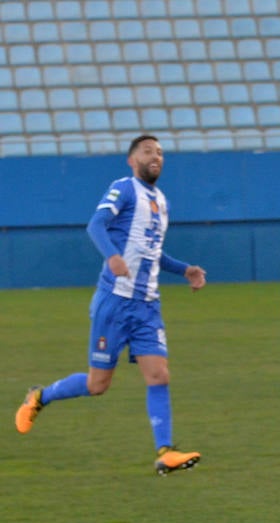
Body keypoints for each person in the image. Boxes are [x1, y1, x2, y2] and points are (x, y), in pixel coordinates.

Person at [15, 134, 206, 476]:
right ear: (132, 160)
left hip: (147, 306)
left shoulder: (161, 201)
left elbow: (152, 252)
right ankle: (39, 397)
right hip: (115, 303)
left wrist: (185, 269)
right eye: (148, 151)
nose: (155, 156)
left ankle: (165, 452)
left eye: (160, 152)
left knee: (159, 375)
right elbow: (96, 224)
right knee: (97, 385)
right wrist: (113, 256)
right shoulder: (124, 187)